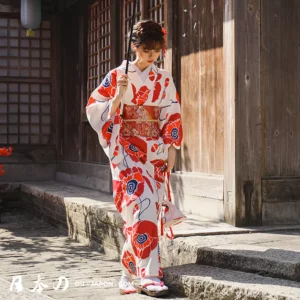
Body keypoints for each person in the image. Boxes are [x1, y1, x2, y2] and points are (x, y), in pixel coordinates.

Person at [86, 20, 183, 297]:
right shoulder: (117, 74)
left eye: (156, 51)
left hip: (154, 150)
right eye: (146, 49)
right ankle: (151, 277)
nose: (152, 55)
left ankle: (128, 274)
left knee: (146, 210)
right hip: (126, 150)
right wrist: (117, 97)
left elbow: (170, 112)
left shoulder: (163, 78)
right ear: (134, 46)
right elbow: (94, 108)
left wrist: (172, 146)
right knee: (144, 202)